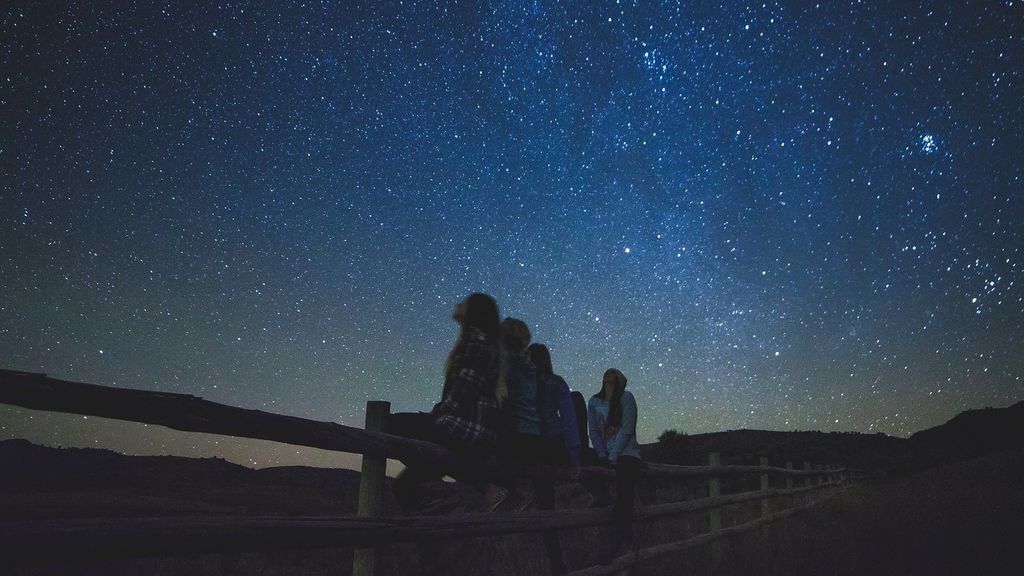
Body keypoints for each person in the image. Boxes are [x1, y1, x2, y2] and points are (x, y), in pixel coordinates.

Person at [389, 293, 505, 513]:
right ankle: (432, 530)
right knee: (404, 486)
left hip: (467, 429)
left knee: (389, 424)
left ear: (474, 312)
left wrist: (437, 414)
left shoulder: (475, 342)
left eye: (464, 303)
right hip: (471, 428)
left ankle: (484, 485)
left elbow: (463, 392)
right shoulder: (480, 342)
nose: (457, 304)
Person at [528, 343, 580, 574]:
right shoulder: (555, 382)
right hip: (554, 444)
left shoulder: (525, 384)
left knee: (544, 501)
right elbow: (568, 418)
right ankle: (557, 561)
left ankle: (554, 558)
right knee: (547, 503)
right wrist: (574, 453)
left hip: (532, 445)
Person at [588, 368, 643, 565]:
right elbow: (593, 430)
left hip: (627, 454)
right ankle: (600, 498)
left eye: (613, 381)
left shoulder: (626, 398)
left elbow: (627, 429)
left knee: (623, 500)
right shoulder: (594, 402)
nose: (609, 384)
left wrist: (613, 456)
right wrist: (602, 454)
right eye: (606, 380)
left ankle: (611, 548)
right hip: (606, 454)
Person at [490, 317, 544, 513]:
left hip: (516, 433)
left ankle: (506, 492)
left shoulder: (507, 364)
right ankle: (514, 493)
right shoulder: (529, 367)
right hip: (533, 434)